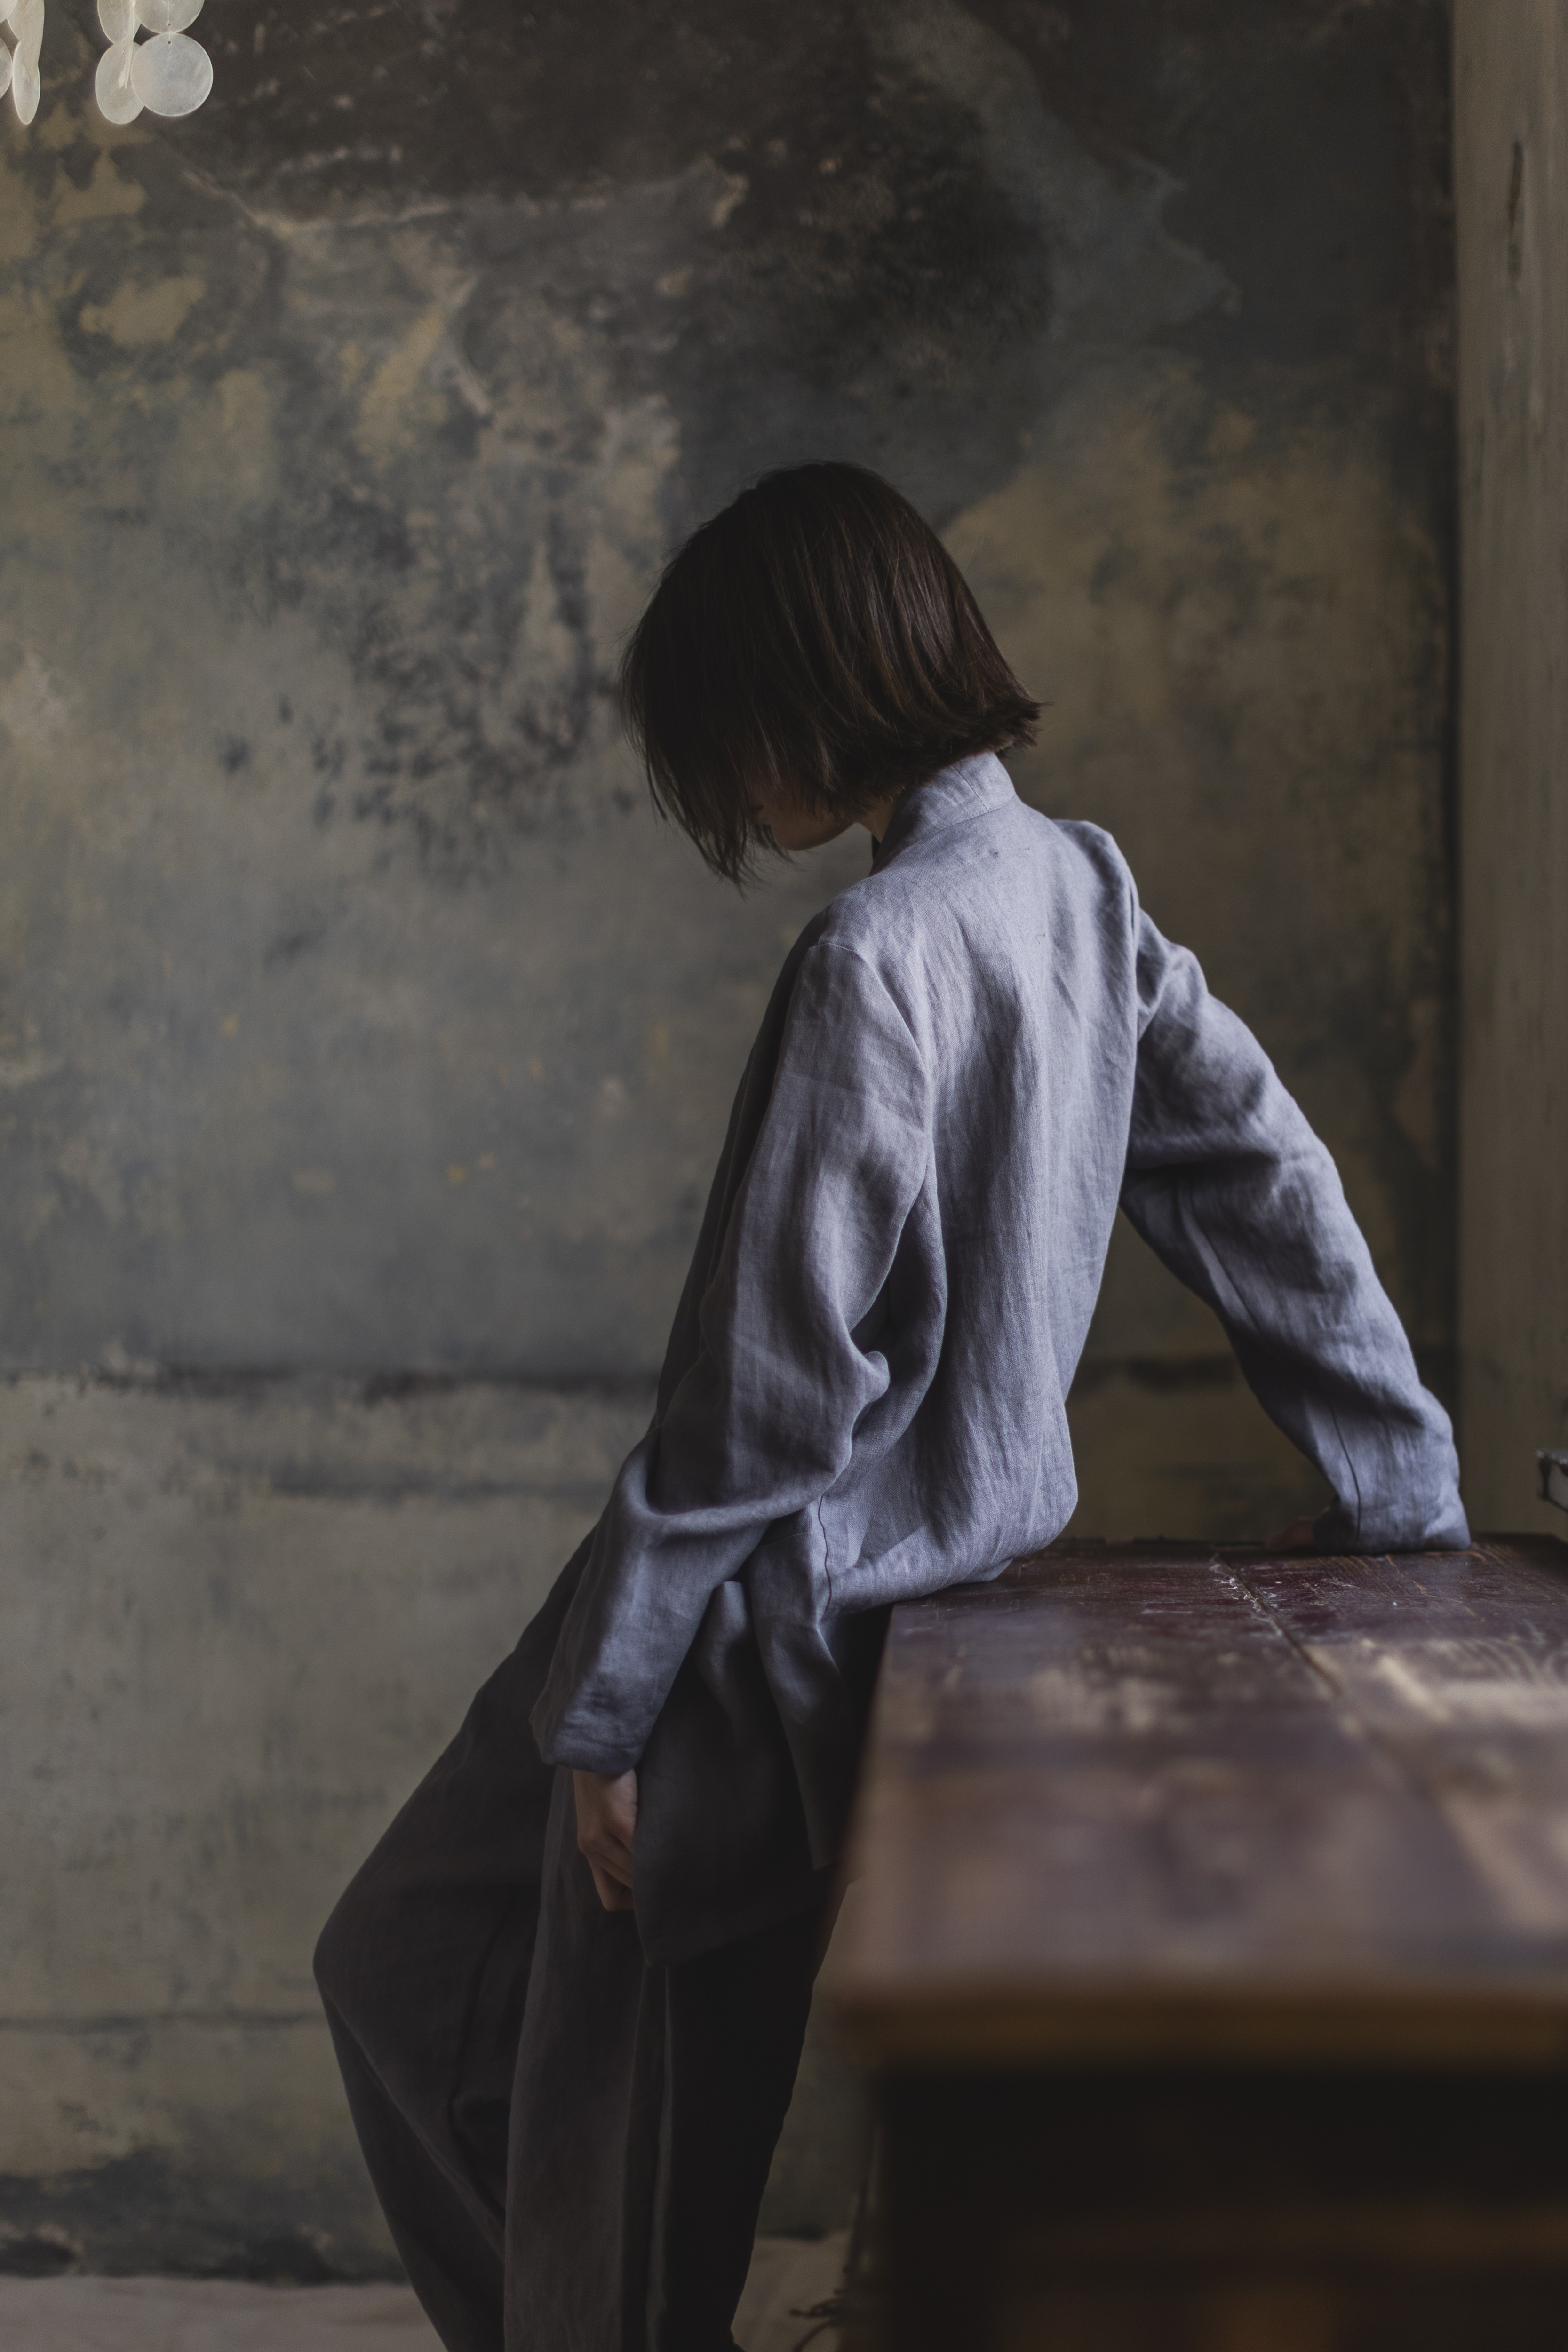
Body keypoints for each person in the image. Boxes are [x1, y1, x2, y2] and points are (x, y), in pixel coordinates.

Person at [314, 462, 1468, 2352]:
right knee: (403, 1968)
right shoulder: (1079, 887)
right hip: (804, 1596)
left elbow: (765, 1405)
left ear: (803, 694)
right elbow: (1276, 1191)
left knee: (619, 2181)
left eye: (725, 735)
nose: (729, 794)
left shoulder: (875, 956)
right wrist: (1400, 1488)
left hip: (752, 1624)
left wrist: (611, 1709)